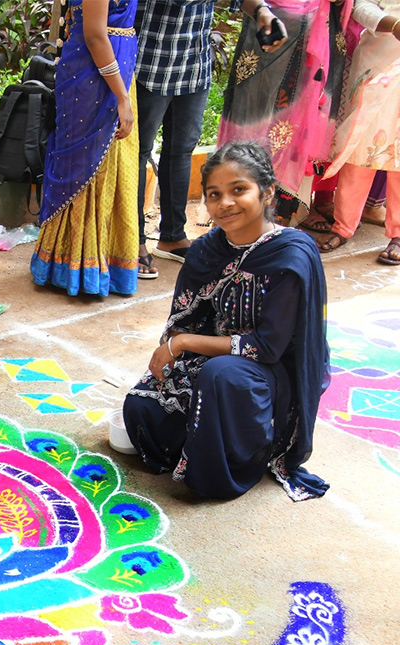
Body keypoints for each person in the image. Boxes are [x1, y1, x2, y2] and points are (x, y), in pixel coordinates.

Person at [121, 141, 330, 501]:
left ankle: (233, 460)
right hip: (211, 358)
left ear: (266, 193)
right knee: (141, 408)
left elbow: (265, 348)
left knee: (219, 376)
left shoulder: (290, 255)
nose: (225, 203)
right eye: (214, 194)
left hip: (267, 373)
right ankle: (199, 441)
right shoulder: (206, 249)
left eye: (239, 190)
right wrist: (177, 348)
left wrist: (182, 345)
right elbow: (185, 318)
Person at [31, 0, 139, 296]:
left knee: (111, 167)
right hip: (94, 77)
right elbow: (94, 34)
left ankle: (102, 263)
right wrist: (121, 97)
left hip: (115, 73)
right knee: (86, 168)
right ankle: (75, 268)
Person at [218, 0, 347, 223]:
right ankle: (239, 217)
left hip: (314, 36)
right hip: (268, 31)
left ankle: (282, 220)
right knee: (254, 123)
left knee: (297, 128)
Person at [132, 0, 226, 278]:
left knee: (182, 150)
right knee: (138, 151)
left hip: (194, 64)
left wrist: (261, 12)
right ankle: (133, 241)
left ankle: (172, 236)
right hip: (154, 62)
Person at [317, 0, 400, 264]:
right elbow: (360, 6)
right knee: (358, 148)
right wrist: (393, 25)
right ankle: (343, 227)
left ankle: (398, 234)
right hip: (374, 65)